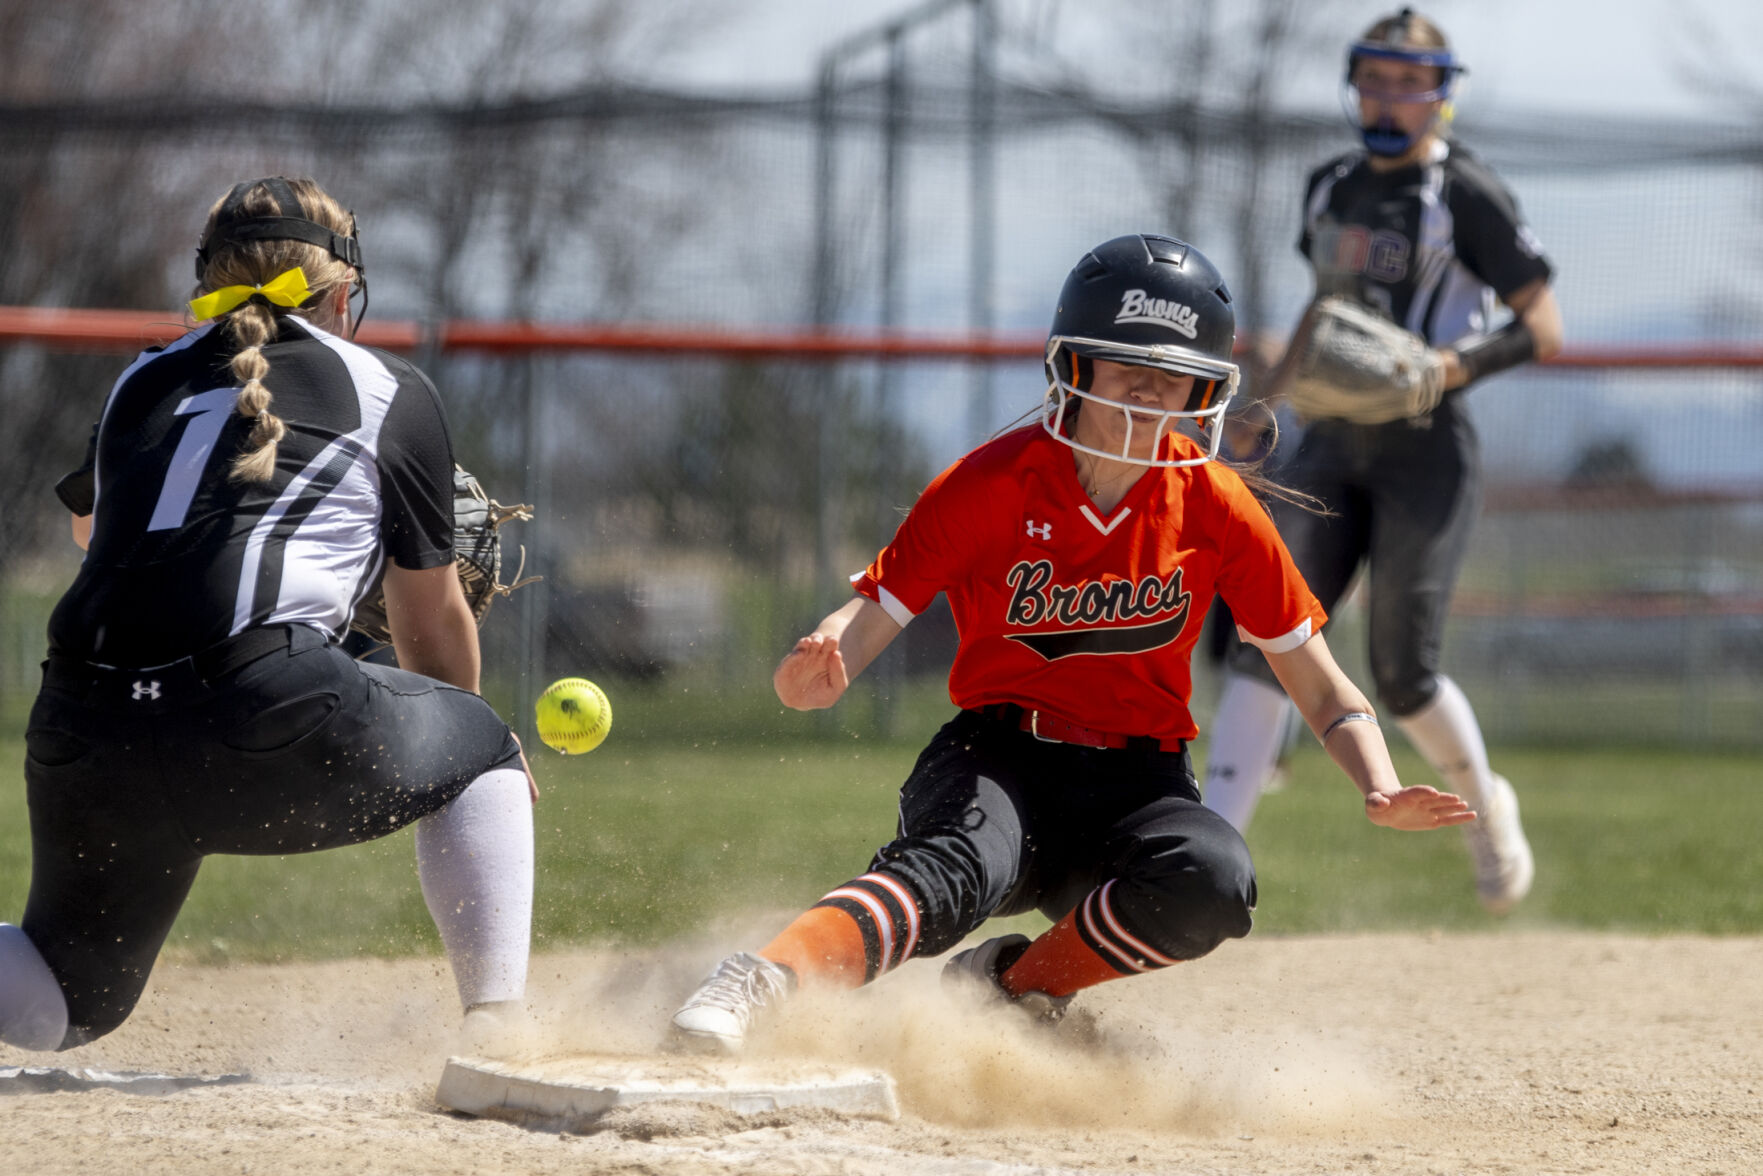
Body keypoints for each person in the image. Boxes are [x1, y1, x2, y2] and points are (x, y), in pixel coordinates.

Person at [667, 233, 1473, 1053]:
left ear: (1204, 391)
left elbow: (1322, 685)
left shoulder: (1216, 506)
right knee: (955, 869)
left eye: (1171, 379)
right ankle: (760, 979)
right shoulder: (988, 483)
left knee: (1213, 881)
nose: (1146, 395)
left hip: (1135, 777)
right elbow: (862, 623)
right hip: (997, 756)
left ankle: (1009, 991)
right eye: (1125, 369)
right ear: (1074, 370)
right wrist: (813, 673)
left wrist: (1377, 785)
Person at [0, 177, 535, 1052]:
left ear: (208, 277)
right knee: (482, 750)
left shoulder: (138, 381)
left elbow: (91, 528)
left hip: (82, 727)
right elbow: (433, 632)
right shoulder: (385, 387)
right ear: (341, 291)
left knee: (65, 1000)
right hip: (263, 707)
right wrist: (468, 750)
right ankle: (498, 1036)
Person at [1202, 8, 1564, 914]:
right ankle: (1203, 860)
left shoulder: (1463, 194)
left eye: (1411, 81)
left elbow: (1542, 326)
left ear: (1441, 95)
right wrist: (1265, 407)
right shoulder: (1330, 185)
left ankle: (1486, 812)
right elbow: (1323, 320)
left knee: (1402, 673)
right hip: (1328, 438)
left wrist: (1452, 365)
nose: (1389, 96)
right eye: (1375, 76)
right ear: (1353, 82)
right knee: (1269, 636)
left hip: (1424, 448)